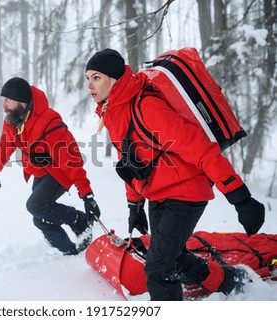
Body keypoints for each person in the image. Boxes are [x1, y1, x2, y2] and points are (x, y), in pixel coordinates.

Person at [84, 48, 265, 300]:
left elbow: (202, 150)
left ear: (113, 79)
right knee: (174, 258)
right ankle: (229, 280)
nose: (90, 85)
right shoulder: (114, 112)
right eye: (88, 78)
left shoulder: (147, 106)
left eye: (96, 77)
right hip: (159, 193)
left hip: (185, 192)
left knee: (158, 268)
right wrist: (134, 205)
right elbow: (131, 163)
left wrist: (240, 197)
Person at [0, 77, 101, 256]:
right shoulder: (12, 119)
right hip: (39, 172)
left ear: (21, 101)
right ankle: (69, 251)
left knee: (35, 206)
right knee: (40, 218)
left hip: (59, 171)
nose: (4, 105)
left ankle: (79, 220)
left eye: (7, 100)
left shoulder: (49, 121)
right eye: (3, 100)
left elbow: (70, 159)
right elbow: (6, 143)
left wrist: (87, 194)